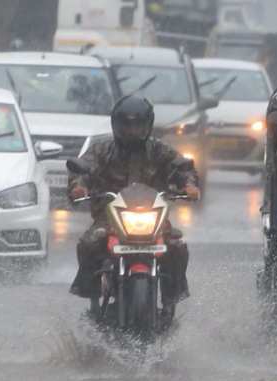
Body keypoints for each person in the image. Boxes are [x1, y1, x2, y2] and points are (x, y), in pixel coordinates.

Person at [69, 95, 199, 305]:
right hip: (109, 218)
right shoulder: (102, 150)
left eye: (138, 126)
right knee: (89, 243)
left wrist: (189, 185)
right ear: (115, 125)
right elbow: (83, 168)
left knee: (176, 247)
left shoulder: (160, 150)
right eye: (127, 126)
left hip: (153, 217)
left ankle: (171, 296)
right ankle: (91, 289)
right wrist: (79, 186)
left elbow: (183, 167)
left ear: (148, 125)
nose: (132, 131)